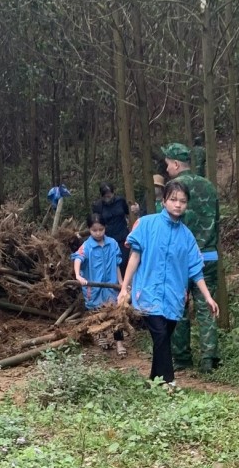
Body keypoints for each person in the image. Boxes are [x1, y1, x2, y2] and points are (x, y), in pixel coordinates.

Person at [119, 180, 219, 386]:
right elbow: (134, 257)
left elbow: (195, 270)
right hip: (148, 292)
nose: (178, 204)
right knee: (161, 334)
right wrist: (124, 287)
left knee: (162, 340)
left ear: (187, 205)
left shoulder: (187, 236)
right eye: (173, 199)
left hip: (174, 297)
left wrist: (208, 297)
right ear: (164, 201)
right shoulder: (147, 224)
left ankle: (153, 381)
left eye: (182, 201)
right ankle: (169, 381)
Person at [162, 143, 222, 373]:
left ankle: (182, 358)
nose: (167, 170)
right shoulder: (209, 186)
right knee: (207, 306)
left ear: (176, 164)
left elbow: (166, 224)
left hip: (180, 259)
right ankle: (209, 359)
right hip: (209, 255)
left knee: (179, 307)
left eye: (168, 164)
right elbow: (217, 222)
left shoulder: (173, 190)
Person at [73, 213, 126, 356]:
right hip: (94, 288)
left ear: (105, 228)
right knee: (97, 315)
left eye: (101, 229)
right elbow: (78, 258)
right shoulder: (87, 246)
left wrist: (121, 283)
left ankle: (119, 343)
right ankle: (101, 337)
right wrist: (78, 275)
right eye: (94, 230)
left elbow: (117, 264)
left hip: (111, 286)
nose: (98, 233)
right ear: (89, 230)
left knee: (116, 315)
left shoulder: (113, 243)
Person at [91, 182, 131, 257]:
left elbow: (128, 212)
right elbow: (95, 221)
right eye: (105, 195)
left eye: (109, 194)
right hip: (108, 239)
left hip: (123, 237)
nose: (107, 196)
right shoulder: (98, 206)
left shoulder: (121, 201)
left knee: (124, 260)